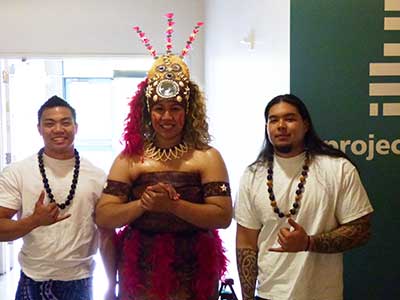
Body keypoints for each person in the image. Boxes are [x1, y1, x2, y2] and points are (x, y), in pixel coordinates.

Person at [95, 13, 232, 300]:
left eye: (175, 108)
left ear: (188, 111)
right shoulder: (129, 158)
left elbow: (222, 217)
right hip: (139, 271)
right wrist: (143, 204)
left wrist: (173, 206)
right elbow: (104, 215)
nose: (167, 117)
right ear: (147, 112)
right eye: (159, 109)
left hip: (195, 271)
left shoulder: (207, 158)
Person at [234, 94, 374, 300]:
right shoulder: (253, 175)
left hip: (322, 295)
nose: (281, 125)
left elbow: (361, 230)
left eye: (289, 118)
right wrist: (247, 297)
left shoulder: (338, 169)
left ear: (305, 124)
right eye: (273, 120)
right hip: (268, 294)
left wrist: (309, 243)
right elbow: (246, 243)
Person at [0, 96, 116, 300]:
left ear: (76, 127)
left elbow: (107, 233)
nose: (58, 129)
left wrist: (111, 284)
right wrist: (34, 221)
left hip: (81, 279)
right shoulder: (17, 172)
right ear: (39, 129)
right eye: (49, 123)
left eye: (65, 122)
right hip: (34, 277)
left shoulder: (96, 176)